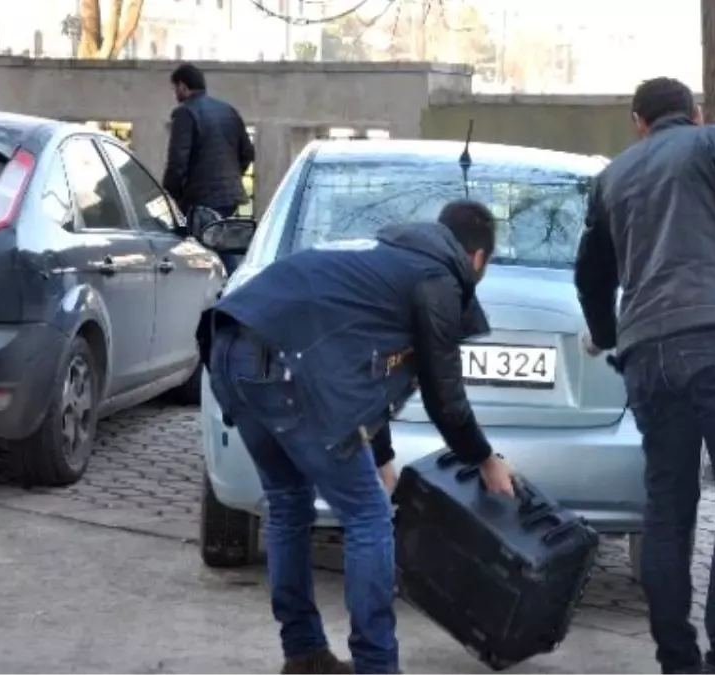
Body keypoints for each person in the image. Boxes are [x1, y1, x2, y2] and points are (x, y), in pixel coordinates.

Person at [204, 200, 516, 675]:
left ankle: (304, 654)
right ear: (478, 258)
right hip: (289, 370)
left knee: (288, 505)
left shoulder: (387, 258)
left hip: (232, 349)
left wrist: (381, 452)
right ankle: (376, 665)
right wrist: (485, 458)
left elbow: (363, 359)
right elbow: (444, 398)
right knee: (368, 515)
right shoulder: (438, 279)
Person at [575, 77, 715, 675]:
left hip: (647, 354)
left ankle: (677, 660)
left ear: (637, 122)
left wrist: (606, 333)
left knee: (668, 509)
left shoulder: (611, 177)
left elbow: (590, 276)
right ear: (695, 114)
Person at [163, 63, 255, 222]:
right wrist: (231, 177)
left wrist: (172, 194)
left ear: (183, 87)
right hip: (230, 198)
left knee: (197, 244)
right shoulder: (228, 110)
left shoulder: (185, 112)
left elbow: (178, 161)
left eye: (175, 88)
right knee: (218, 241)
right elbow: (247, 152)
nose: (175, 94)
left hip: (200, 199)